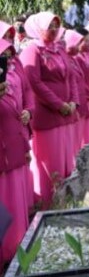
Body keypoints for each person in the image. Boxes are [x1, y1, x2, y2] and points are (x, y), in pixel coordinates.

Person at [20, 12, 79, 208]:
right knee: (50, 164)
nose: (54, 30)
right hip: (47, 117)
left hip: (66, 115)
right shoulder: (32, 50)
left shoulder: (59, 49)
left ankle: (68, 201)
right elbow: (34, 83)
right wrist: (58, 104)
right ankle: (50, 205)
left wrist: (73, 102)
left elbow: (71, 76)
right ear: (39, 27)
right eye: (50, 26)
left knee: (67, 160)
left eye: (56, 26)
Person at [0, 39, 32, 268]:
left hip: (15, 144)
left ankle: (19, 244)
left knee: (17, 198)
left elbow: (26, 94)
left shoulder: (12, 76)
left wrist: (28, 112)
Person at [65, 30, 89, 154]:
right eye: (77, 42)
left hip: (80, 102)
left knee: (79, 138)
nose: (79, 46)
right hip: (73, 105)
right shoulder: (65, 60)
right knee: (74, 140)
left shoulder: (73, 59)